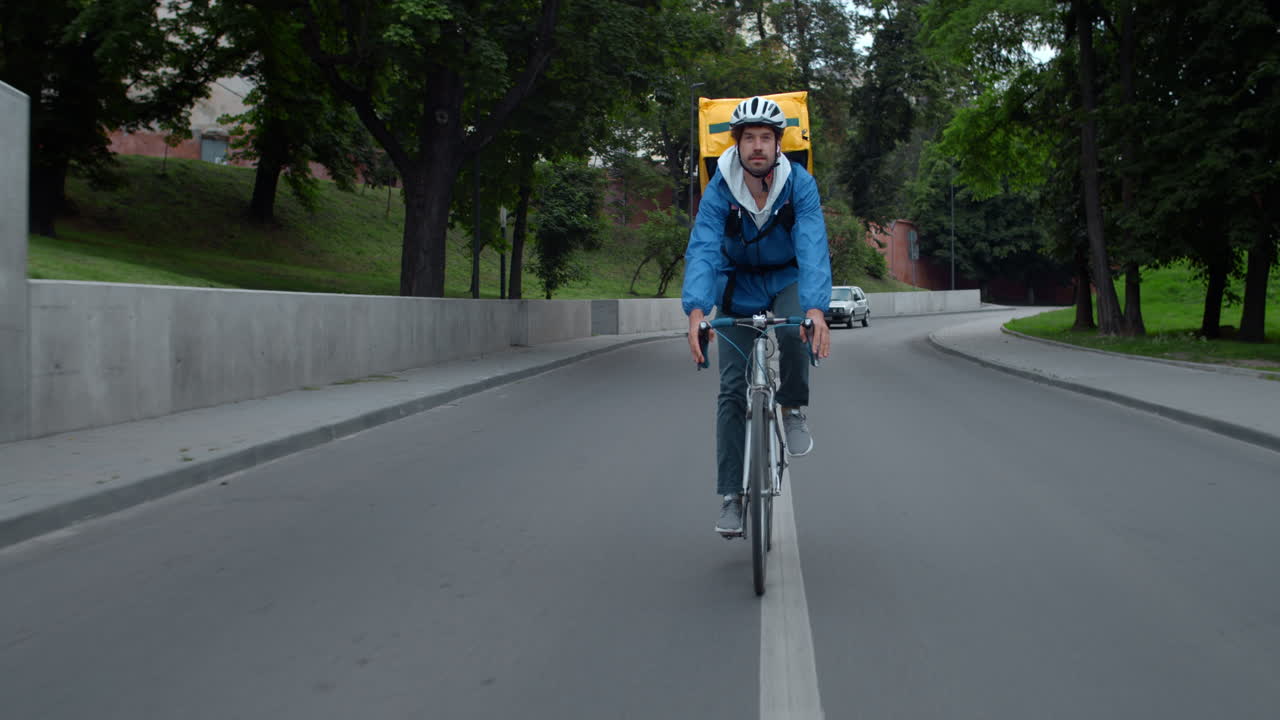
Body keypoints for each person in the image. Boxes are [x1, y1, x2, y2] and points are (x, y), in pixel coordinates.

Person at [682, 95, 832, 536]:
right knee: (730, 390)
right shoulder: (718, 190)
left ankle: (792, 409)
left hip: (785, 279)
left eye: (766, 138)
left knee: (794, 332)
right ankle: (731, 496)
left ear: (779, 145)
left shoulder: (799, 184)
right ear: (737, 144)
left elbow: (812, 246)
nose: (758, 147)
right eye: (750, 138)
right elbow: (705, 249)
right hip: (737, 284)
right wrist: (696, 310)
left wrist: (816, 310)